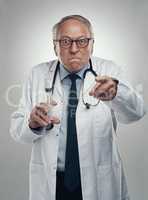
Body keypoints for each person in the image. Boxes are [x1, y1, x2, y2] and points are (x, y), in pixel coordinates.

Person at [10, 15, 145, 200]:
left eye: (82, 41)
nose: (74, 49)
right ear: (54, 46)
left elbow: (136, 112)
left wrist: (116, 94)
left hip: (99, 180)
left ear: (92, 44)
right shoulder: (38, 74)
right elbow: (17, 130)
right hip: (53, 181)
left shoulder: (109, 70)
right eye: (65, 41)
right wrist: (32, 124)